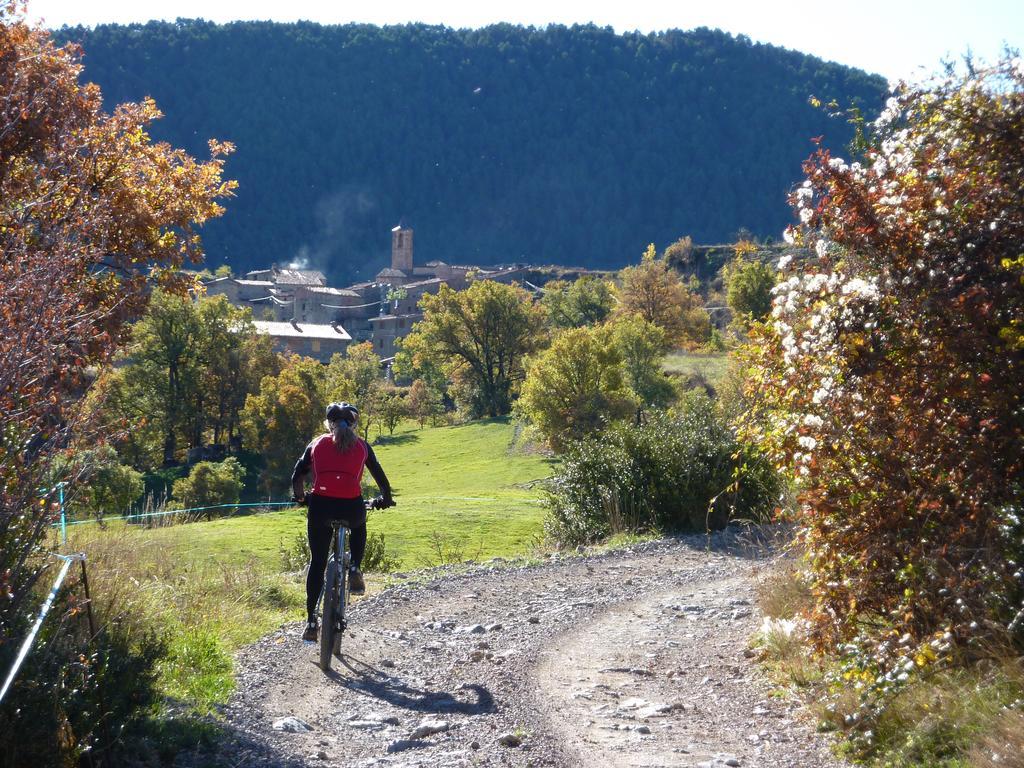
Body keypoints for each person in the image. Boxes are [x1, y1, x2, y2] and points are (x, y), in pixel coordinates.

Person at [291, 401, 394, 642]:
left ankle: (311, 622)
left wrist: (301, 497)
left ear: (329, 423)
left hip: (320, 508)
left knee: (317, 563)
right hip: (351, 507)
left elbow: (297, 475)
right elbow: (381, 478)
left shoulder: (316, 443)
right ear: (354, 423)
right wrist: (385, 499)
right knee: (359, 524)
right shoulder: (362, 446)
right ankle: (356, 566)